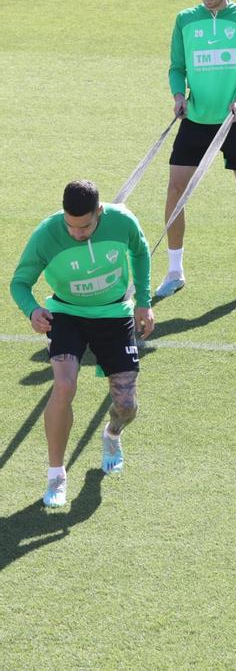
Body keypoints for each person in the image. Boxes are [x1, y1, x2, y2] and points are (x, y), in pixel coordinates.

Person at [9, 180, 155, 507]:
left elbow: (141, 251)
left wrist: (144, 301)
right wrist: (32, 310)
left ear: (99, 213)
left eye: (85, 226)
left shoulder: (122, 221)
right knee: (63, 386)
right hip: (66, 313)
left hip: (115, 313)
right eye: (71, 226)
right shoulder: (47, 234)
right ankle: (56, 475)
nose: (77, 233)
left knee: (127, 406)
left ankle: (112, 435)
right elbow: (20, 283)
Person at [159, 0, 236, 301]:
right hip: (194, 120)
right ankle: (174, 272)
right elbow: (177, 67)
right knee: (175, 190)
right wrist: (178, 95)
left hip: (234, 121)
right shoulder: (185, 19)